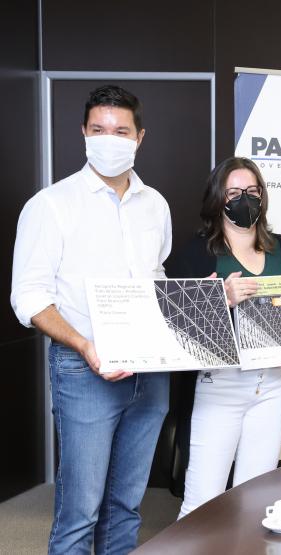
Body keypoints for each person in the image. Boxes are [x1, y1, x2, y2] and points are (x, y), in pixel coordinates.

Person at [10, 85, 171, 554]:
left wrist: (189, 300)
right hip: (84, 371)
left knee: (127, 507)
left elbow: (154, 277)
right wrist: (84, 345)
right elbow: (28, 298)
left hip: (149, 371)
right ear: (83, 133)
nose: (109, 139)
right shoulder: (51, 205)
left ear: (139, 137)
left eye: (120, 131)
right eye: (99, 129)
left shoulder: (155, 205)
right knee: (80, 513)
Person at [165, 157, 281, 518]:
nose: (245, 199)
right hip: (219, 386)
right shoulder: (195, 253)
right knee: (202, 502)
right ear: (218, 199)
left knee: (258, 500)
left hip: (273, 385)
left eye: (252, 191)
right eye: (234, 192)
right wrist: (220, 299)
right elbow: (178, 329)